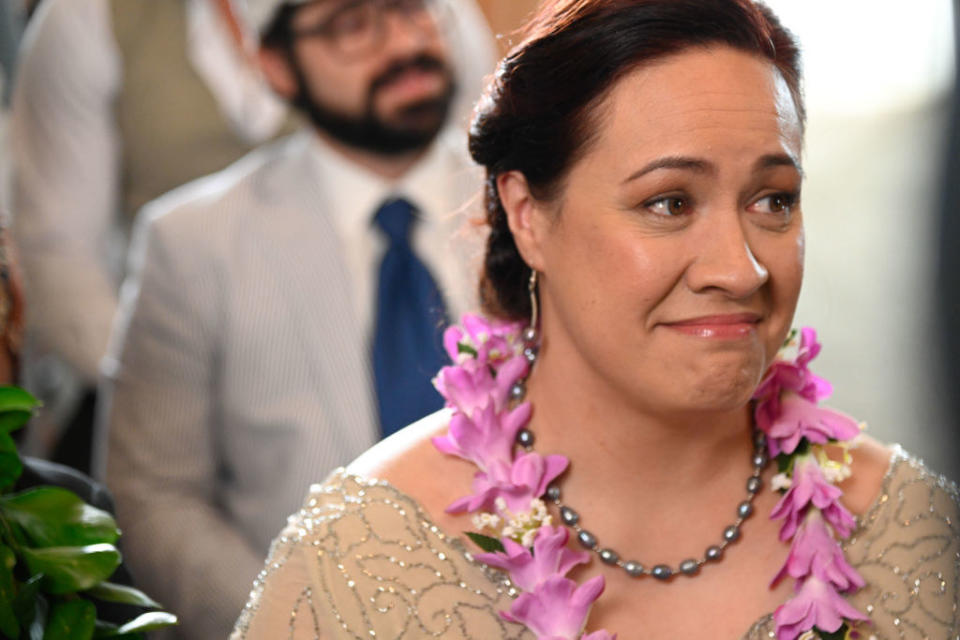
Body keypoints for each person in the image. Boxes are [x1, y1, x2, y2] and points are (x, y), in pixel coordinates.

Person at [232, 0, 960, 638]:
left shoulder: (912, 535)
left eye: (773, 200)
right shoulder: (368, 560)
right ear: (527, 217)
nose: (741, 269)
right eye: (669, 202)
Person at [96, 0, 493, 638]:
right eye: (350, 24)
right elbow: (152, 499)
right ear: (277, 66)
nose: (401, 42)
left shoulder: (529, 200)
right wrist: (297, 620)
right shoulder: (195, 241)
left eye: (412, 9)